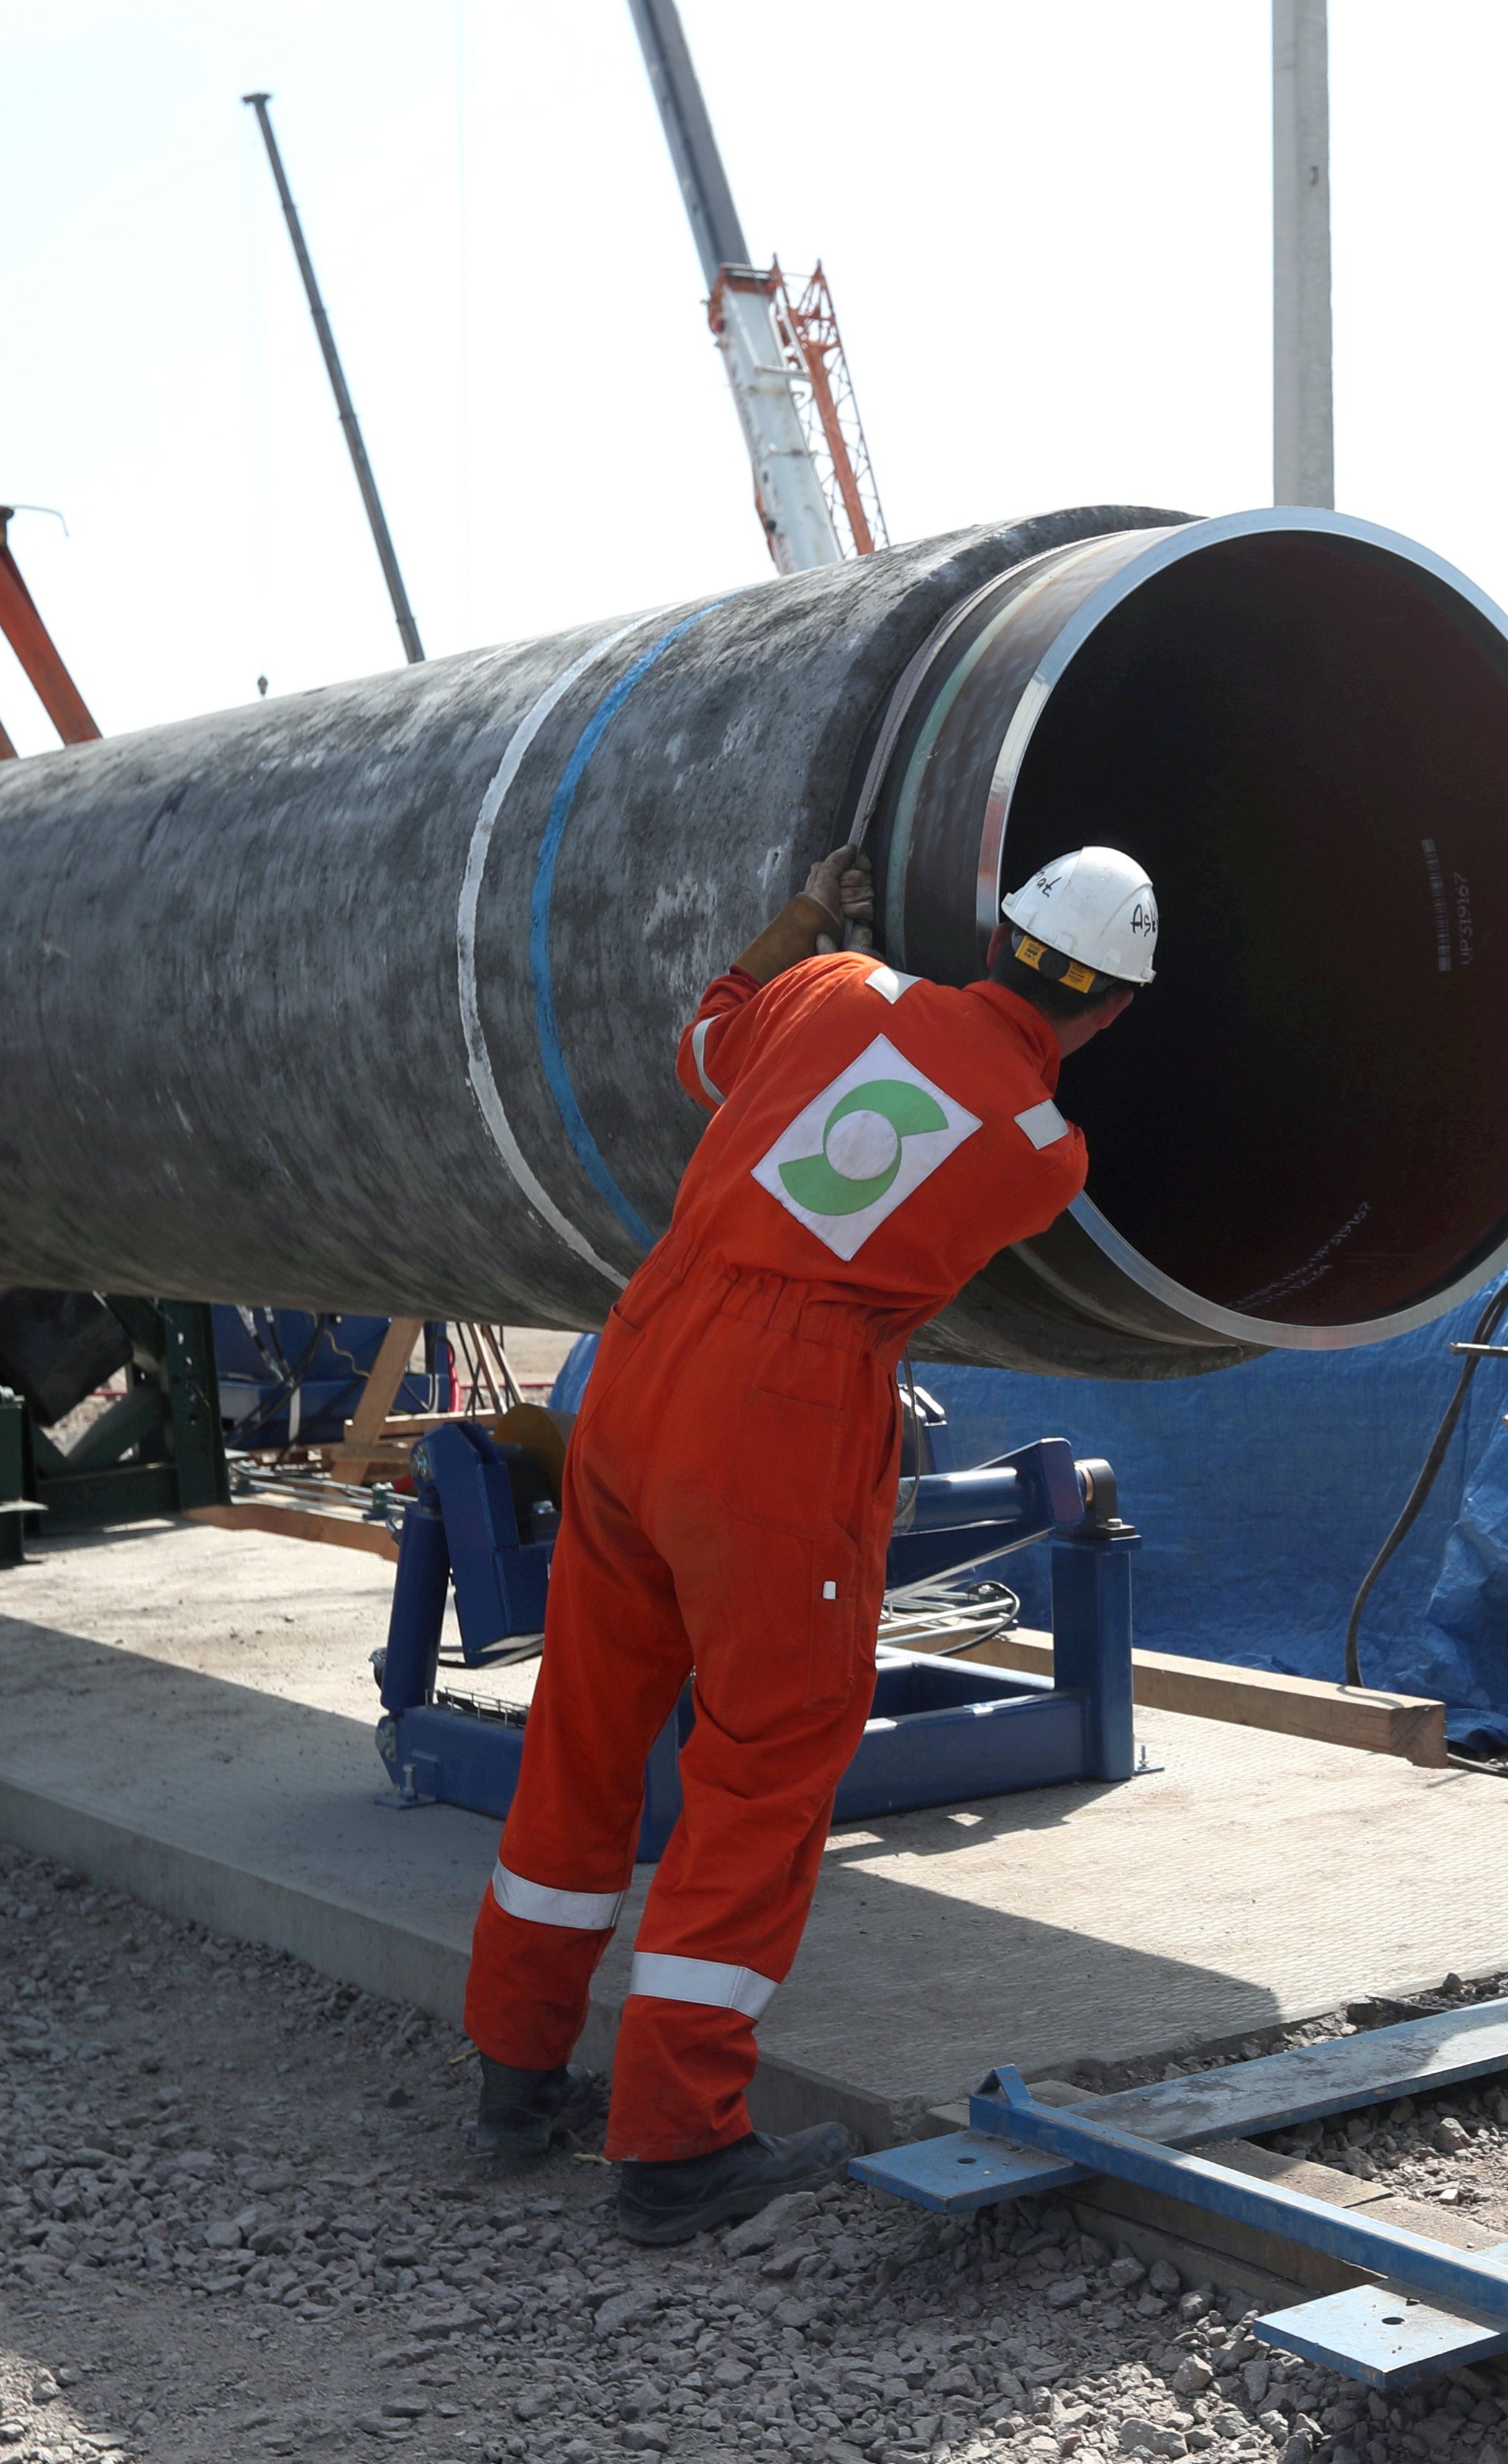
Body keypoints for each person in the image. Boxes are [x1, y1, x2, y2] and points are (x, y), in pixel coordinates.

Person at [457, 840, 1157, 2240]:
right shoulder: (1043, 1152)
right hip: (776, 1420)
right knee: (765, 1761)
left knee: (586, 1726)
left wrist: (798, 925)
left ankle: (515, 2077)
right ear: (1114, 1009)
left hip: (640, 1360)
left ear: (997, 933)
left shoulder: (833, 985)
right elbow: (937, 1164)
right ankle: (675, 2145)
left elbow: (704, 1045)